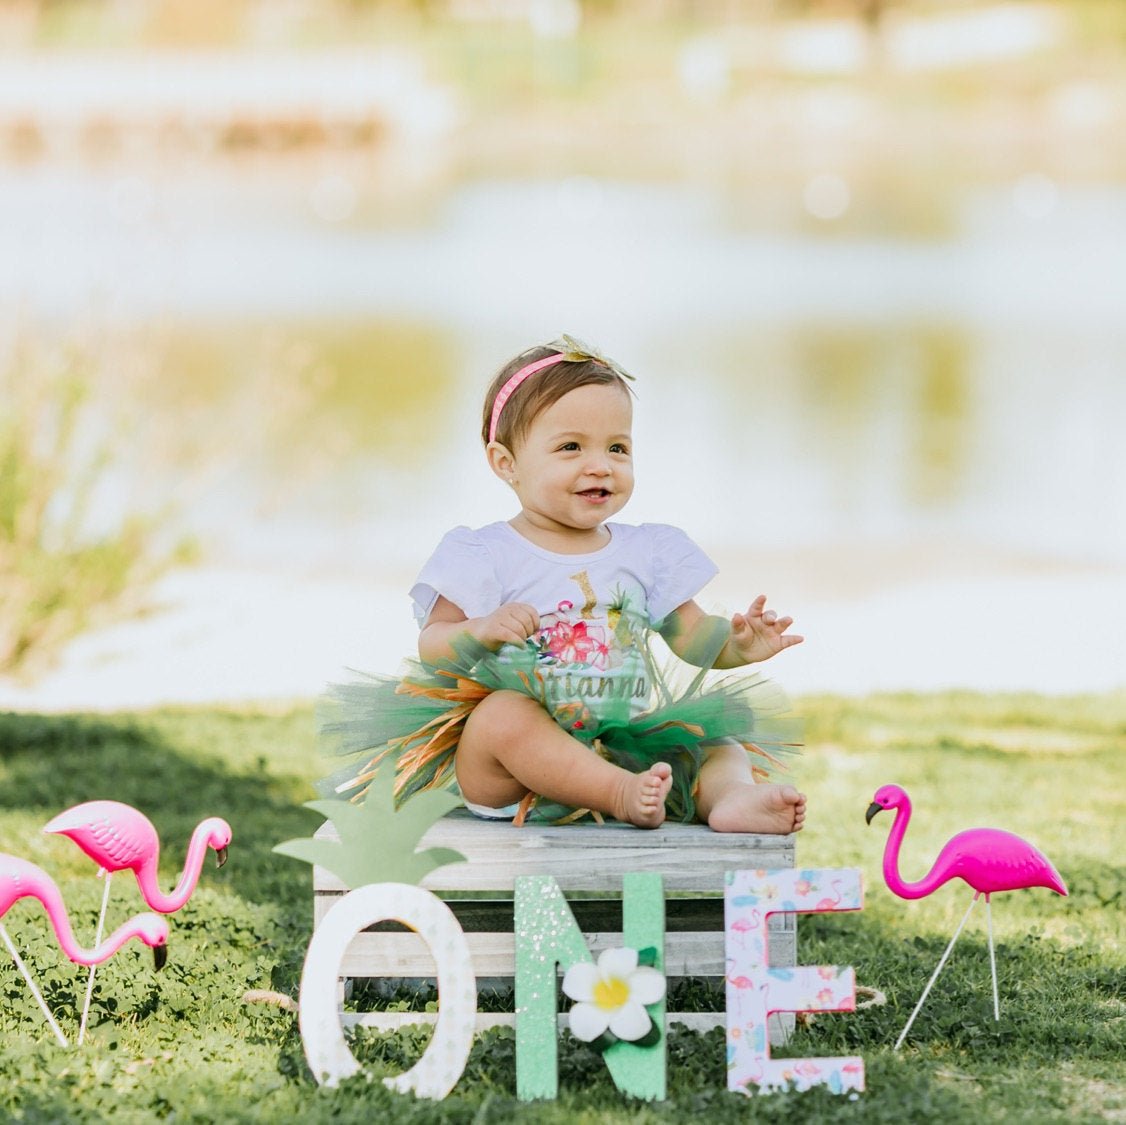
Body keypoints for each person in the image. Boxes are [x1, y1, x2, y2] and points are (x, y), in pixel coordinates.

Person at [322, 337, 806, 834]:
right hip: (513, 774)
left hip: (618, 747)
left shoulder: (648, 551)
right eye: (571, 447)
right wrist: (480, 630)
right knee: (501, 716)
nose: (600, 465)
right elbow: (433, 649)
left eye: (617, 448)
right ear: (505, 463)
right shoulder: (484, 554)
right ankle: (617, 794)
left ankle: (732, 799)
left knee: (712, 741)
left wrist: (735, 643)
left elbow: (691, 637)